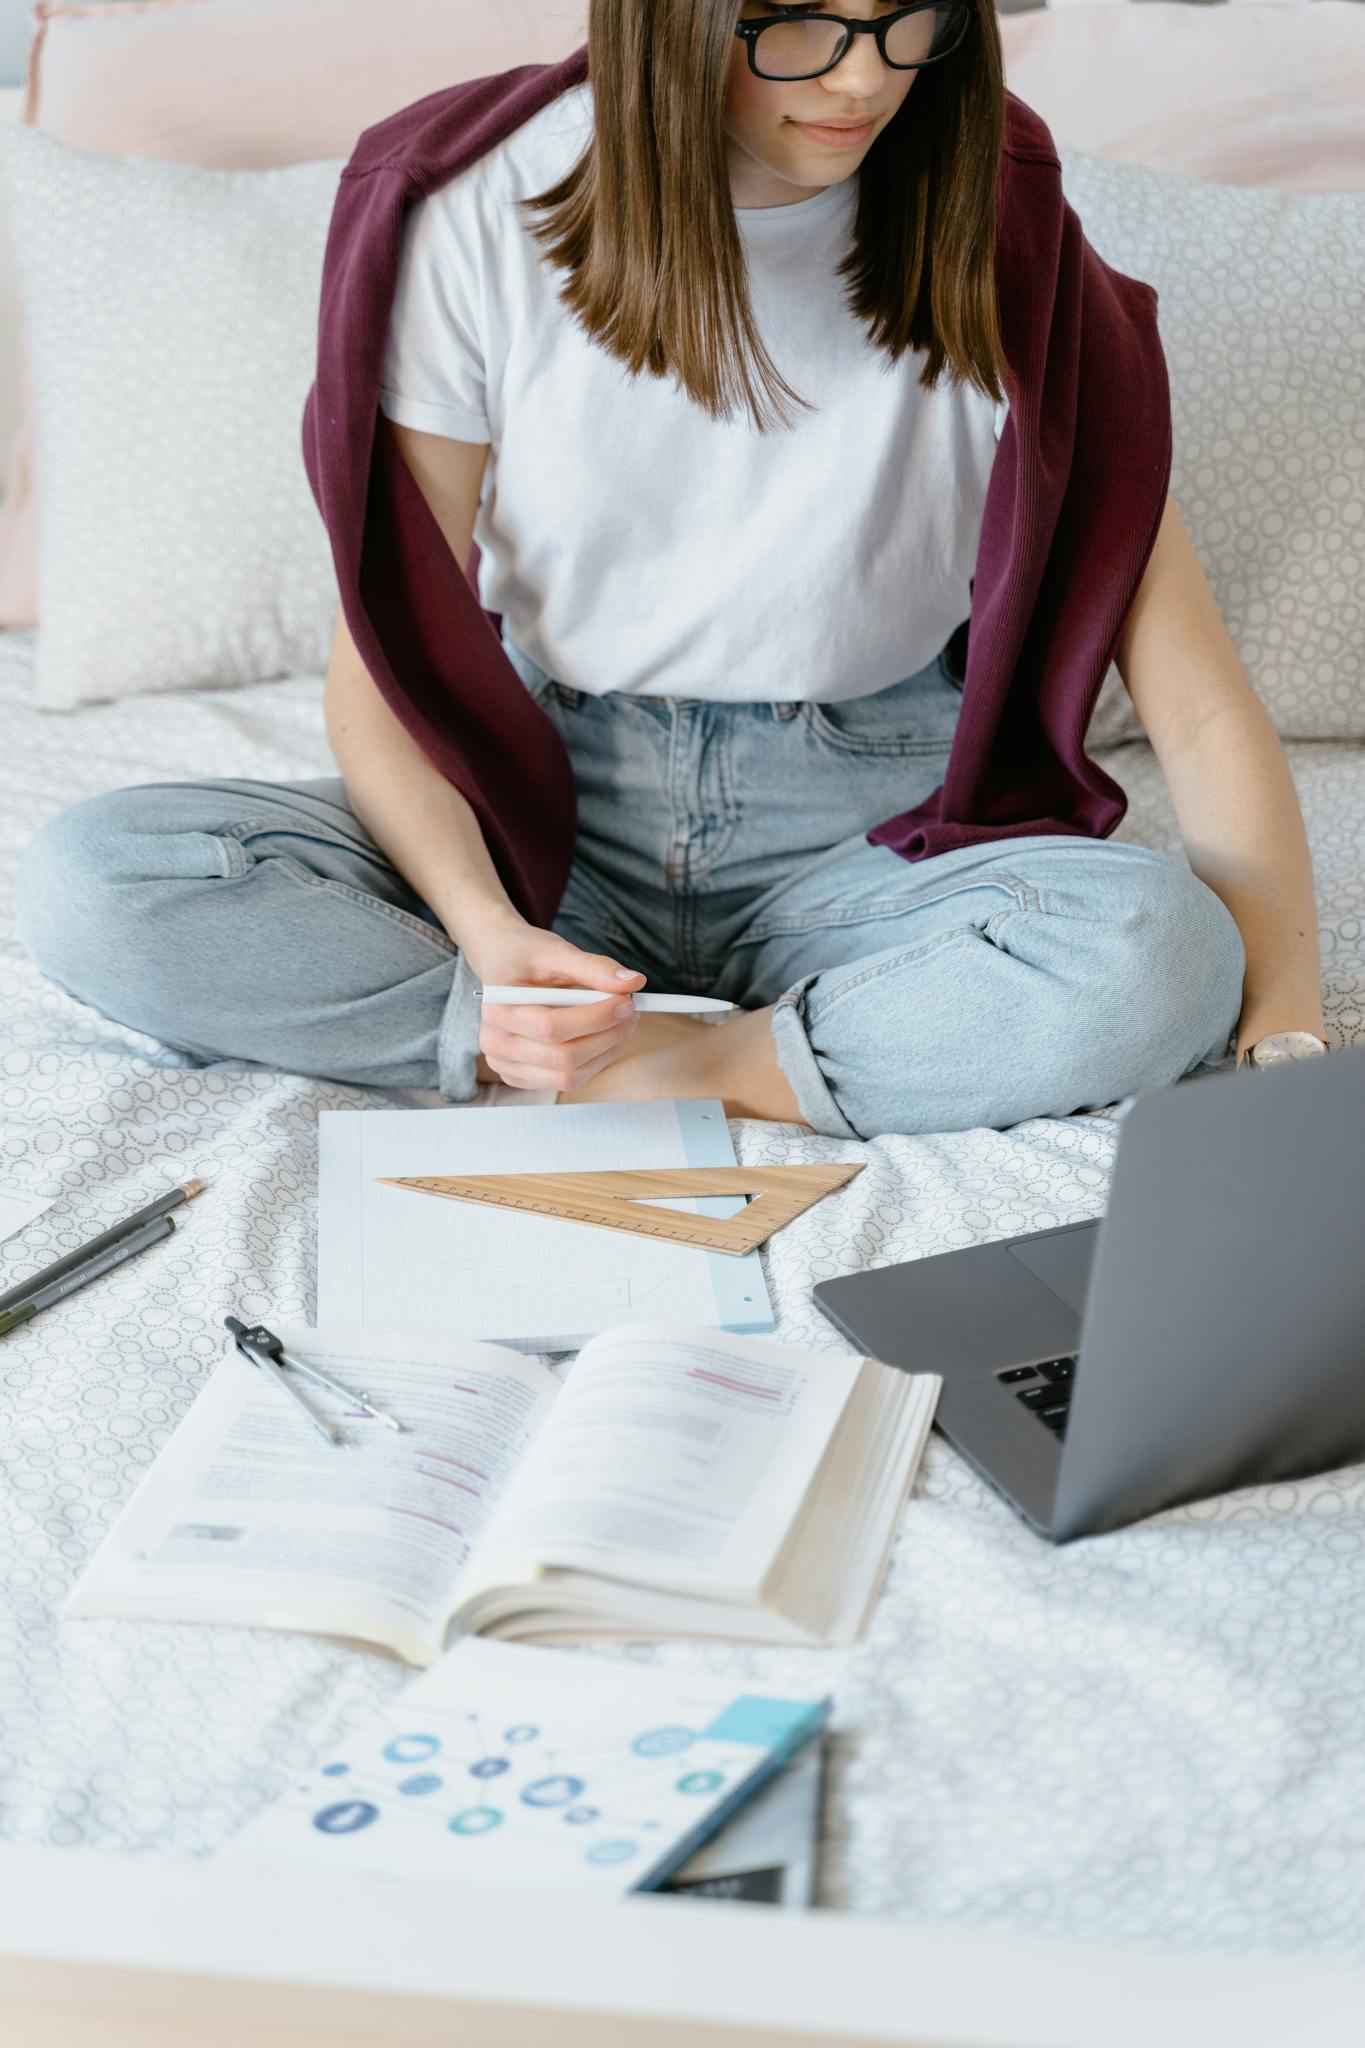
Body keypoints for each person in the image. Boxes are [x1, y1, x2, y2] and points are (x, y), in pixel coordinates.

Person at [14, 1, 1326, 1142]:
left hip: (869, 831)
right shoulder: (478, 206)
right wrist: (487, 945)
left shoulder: (1001, 233)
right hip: (540, 807)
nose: (863, 78)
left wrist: (1284, 1035)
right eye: (795, 22)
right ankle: (519, 1038)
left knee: (1162, 950)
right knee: (96, 877)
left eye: (905, 18)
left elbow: (1197, 701)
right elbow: (383, 670)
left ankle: (696, 1064)